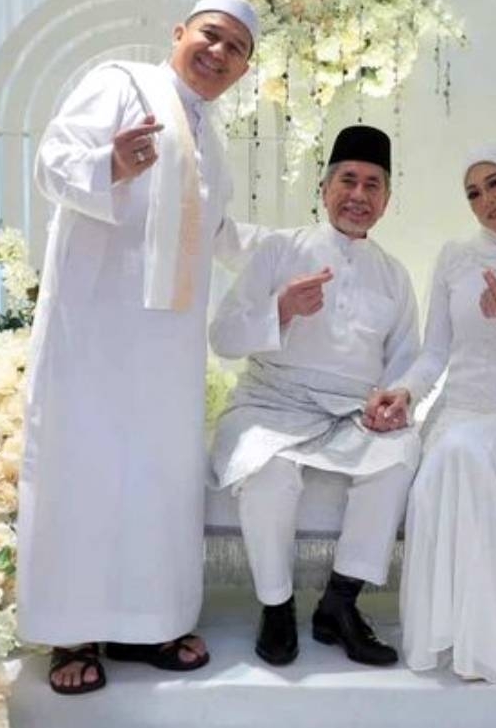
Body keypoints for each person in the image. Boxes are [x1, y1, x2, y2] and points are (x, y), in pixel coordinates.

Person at [17, 0, 260, 694]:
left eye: (236, 49)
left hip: (168, 342)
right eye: (211, 36)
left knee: (158, 472)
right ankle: (74, 629)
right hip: (95, 330)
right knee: (85, 467)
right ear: (180, 32)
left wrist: (298, 261)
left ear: (244, 70)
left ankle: (149, 622)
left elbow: (217, 234)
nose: (218, 53)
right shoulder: (120, 83)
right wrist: (112, 165)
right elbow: (52, 163)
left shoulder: (210, 137)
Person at [209, 125, 420, 668]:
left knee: (397, 458)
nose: (359, 194)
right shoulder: (280, 250)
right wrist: (279, 309)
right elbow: (224, 335)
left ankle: (340, 603)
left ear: (387, 202)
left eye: (373, 185)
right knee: (270, 471)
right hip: (270, 402)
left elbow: (405, 358)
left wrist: (393, 398)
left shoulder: (394, 277)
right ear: (324, 189)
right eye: (348, 179)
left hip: (351, 412)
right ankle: (276, 606)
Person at [369, 143, 496, 683]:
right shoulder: (455, 257)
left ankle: (494, 640)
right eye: (473, 193)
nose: (486, 200)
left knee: (461, 454)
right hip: (458, 410)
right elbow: (435, 353)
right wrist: (406, 394)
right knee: (447, 456)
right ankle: (460, 636)